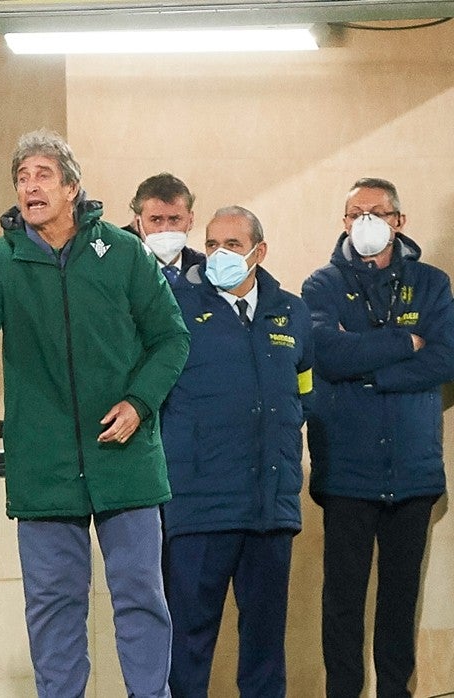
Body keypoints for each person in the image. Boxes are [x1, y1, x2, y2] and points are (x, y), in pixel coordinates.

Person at [0, 128, 190, 697]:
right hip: (44, 467)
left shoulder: (122, 253)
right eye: (21, 178)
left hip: (125, 458)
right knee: (52, 607)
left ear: (72, 187)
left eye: (43, 175)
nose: (30, 187)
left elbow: (171, 339)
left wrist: (139, 401)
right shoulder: (0, 259)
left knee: (142, 599)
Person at [302, 178, 454, 697]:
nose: (365, 221)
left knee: (399, 598)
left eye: (377, 212)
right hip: (346, 471)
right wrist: (405, 343)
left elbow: (444, 357)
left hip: (414, 473)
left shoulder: (432, 284)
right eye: (354, 213)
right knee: (342, 600)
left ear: (399, 221)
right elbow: (326, 354)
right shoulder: (321, 285)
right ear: (343, 222)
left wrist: (370, 370)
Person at [160, 206, 313, 697]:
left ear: (258, 251)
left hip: (269, 510)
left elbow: (303, 392)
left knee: (266, 648)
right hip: (198, 509)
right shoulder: (175, 307)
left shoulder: (292, 312)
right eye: (210, 245)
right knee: (188, 644)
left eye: (231, 245)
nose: (218, 255)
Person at [126, 173, 205, 283]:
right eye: (156, 220)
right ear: (138, 223)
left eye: (174, 219)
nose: (165, 229)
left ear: (190, 220)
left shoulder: (205, 270)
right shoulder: (120, 269)